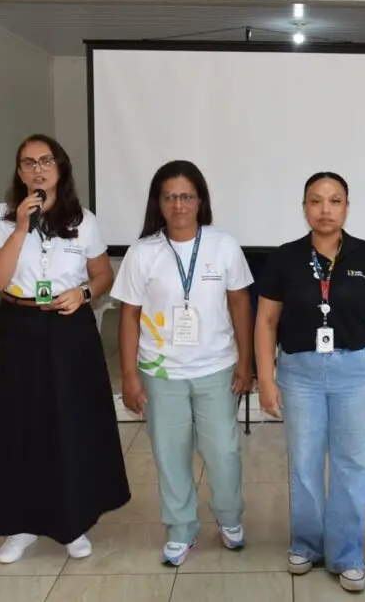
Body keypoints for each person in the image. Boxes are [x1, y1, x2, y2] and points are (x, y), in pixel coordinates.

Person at [0, 134, 130, 564]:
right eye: (28, 163)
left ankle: (71, 521)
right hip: (18, 326)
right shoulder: (0, 218)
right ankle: (21, 524)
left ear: (60, 168)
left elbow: (103, 275)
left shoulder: (84, 219)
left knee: (71, 423)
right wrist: (22, 228)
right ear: (19, 172)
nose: (37, 169)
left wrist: (83, 292)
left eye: (45, 161)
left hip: (69, 328)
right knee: (18, 424)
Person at [256, 172, 365, 593]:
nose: (325, 210)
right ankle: (306, 543)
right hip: (299, 371)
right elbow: (266, 321)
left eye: (335, 201)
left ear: (347, 207)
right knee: (304, 461)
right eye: (316, 201)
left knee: (353, 462)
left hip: (354, 370)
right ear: (304, 207)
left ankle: (346, 553)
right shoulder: (285, 258)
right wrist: (265, 379)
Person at [112, 160, 254, 568]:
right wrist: (129, 376)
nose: (178, 204)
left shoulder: (223, 245)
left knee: (223, 451)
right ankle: (181, 528)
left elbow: (240, 304)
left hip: (216, 367)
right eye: (170, 196)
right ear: (159, 203)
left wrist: (246, 363)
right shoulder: (143, 252)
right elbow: (129, 316)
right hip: (161, 372)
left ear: (200, 201)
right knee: (170, 454)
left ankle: (229, 519)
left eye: (186, 196)